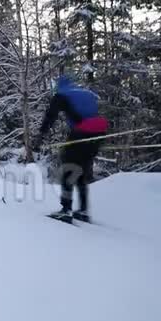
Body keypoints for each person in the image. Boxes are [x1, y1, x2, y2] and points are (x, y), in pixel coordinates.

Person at [34, 75, 108, 224]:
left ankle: (66, 210)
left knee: (68, 166)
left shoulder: (61, 95)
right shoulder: (85, 93)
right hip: (99, 132)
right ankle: (83, 210)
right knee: (81, 168)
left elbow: (51, 115)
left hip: (82, 133)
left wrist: (40, 136)